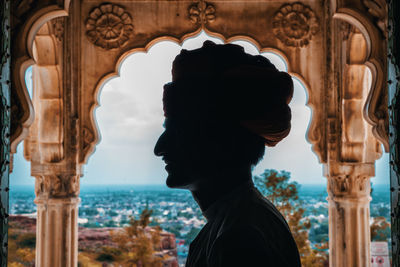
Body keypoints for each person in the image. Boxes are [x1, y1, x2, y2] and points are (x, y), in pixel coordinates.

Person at [154, 41, 301, 267]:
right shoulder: (242, 220)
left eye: (178, 132)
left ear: (219, 139)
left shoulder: (239, 239)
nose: (160, 148)